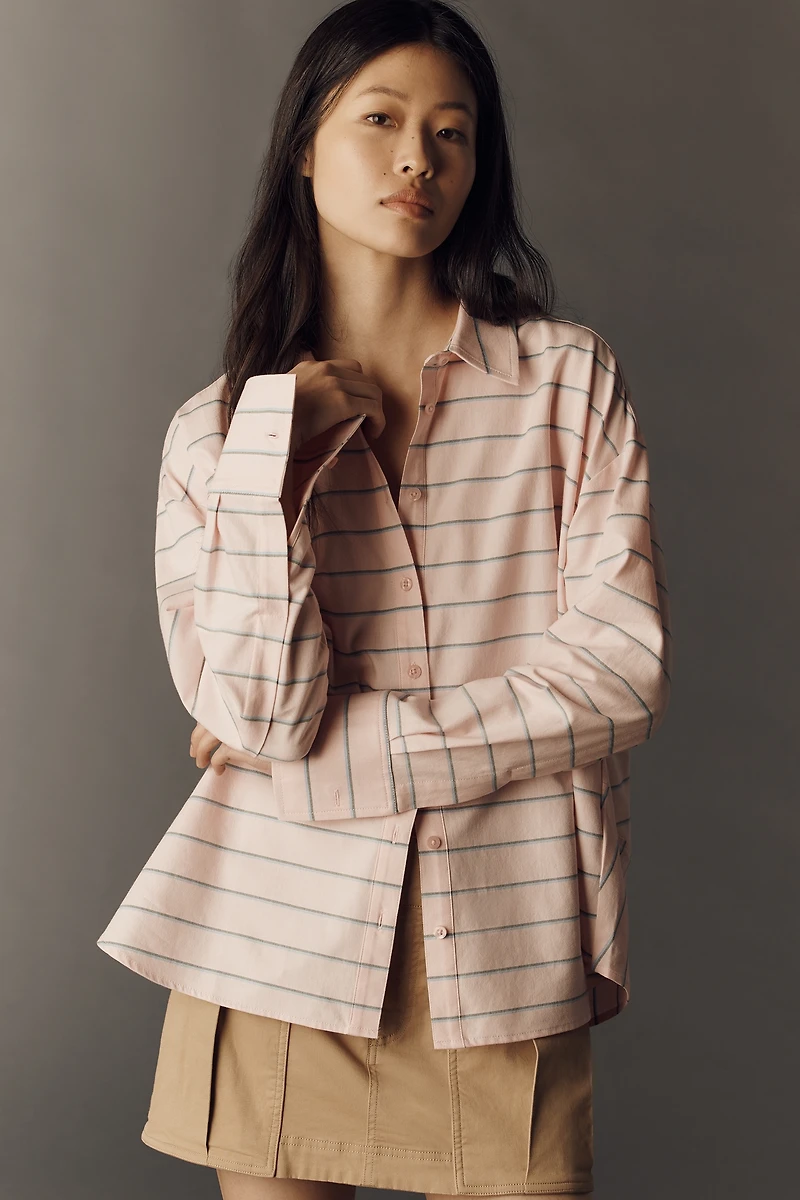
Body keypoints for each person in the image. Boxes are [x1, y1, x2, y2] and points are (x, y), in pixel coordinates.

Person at [96, 2, 673, 1198]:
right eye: (381, 120)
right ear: (304, 148)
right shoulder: (216, 433)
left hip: (503, 940)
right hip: (270, 936)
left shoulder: (565, 382)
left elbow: (618, 673)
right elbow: (260, 711)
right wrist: (278, 455)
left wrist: (343, 754)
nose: (418, 158)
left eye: (451, 133)